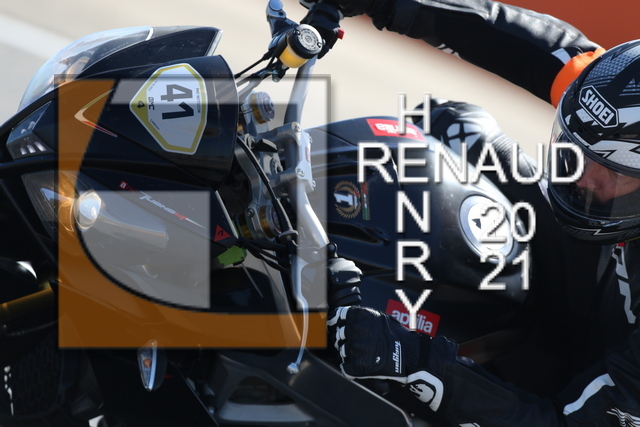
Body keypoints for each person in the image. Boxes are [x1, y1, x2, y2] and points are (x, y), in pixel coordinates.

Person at [302, 0, 640, 425]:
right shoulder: (622, 94)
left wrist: (419, 362)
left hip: (609, 390)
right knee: (456, 129)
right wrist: (391, 4)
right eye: (576, 151)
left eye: (610, 170)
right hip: (599, 281)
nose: (581, 177)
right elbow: (531, 45)